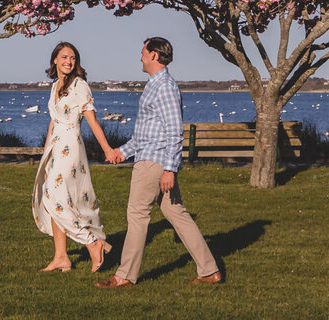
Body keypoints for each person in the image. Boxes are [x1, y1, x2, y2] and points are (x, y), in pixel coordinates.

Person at [95, 37, 221, 288]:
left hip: (154, 163)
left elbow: (174, 132)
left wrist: (170, 169)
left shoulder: (164, 86)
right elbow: (147, 134)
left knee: (137, 215)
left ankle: (124, 276)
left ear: (153, 55)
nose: (140, 56)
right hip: (153, 158)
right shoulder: (155, 85)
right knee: (176, 212)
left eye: (143, 52)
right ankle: (209, 270)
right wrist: (123, 151)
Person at [32, 41, 116, 272]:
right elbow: (53, 120)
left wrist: (107, 149)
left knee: (53, 196)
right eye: (65, 57)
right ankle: (61, 257)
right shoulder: (55, 86)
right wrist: (45, 150)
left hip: (70, 146)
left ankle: (92, 242)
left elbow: (92, 121)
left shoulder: (80, 86)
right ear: (55, 60)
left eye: (73, 58)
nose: (69, 62)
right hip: (54, 147)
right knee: (58, 200)